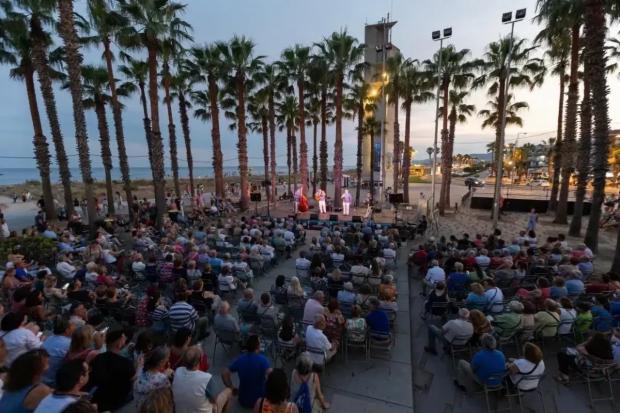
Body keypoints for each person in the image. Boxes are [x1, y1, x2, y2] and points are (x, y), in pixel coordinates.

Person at [172, 345, 233, 413]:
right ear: (200, 360)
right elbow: (214, 399)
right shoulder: (207, 378)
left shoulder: (178, 371)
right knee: (228, 391)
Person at [88, 329, 136, 412]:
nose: (125, 343)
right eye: (124, 340)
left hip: (95, 398)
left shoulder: (98, 357)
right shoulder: (126, 363)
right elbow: (133, 379)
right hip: (113, 403)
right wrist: (138, 367)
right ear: (119, 344)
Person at [222, 335, 272, 409]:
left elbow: (224, 373)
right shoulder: (263, 360)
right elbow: (272, 376)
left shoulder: (240, 359)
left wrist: (232, 388)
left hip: (243, 400)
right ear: (258, 346)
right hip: (259, 401)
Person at [41, 317, 73, 387]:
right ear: (67, 330)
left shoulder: (49, 338)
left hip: (41, 378)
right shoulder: (69, 343)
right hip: (54, 382)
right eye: (71, 328)